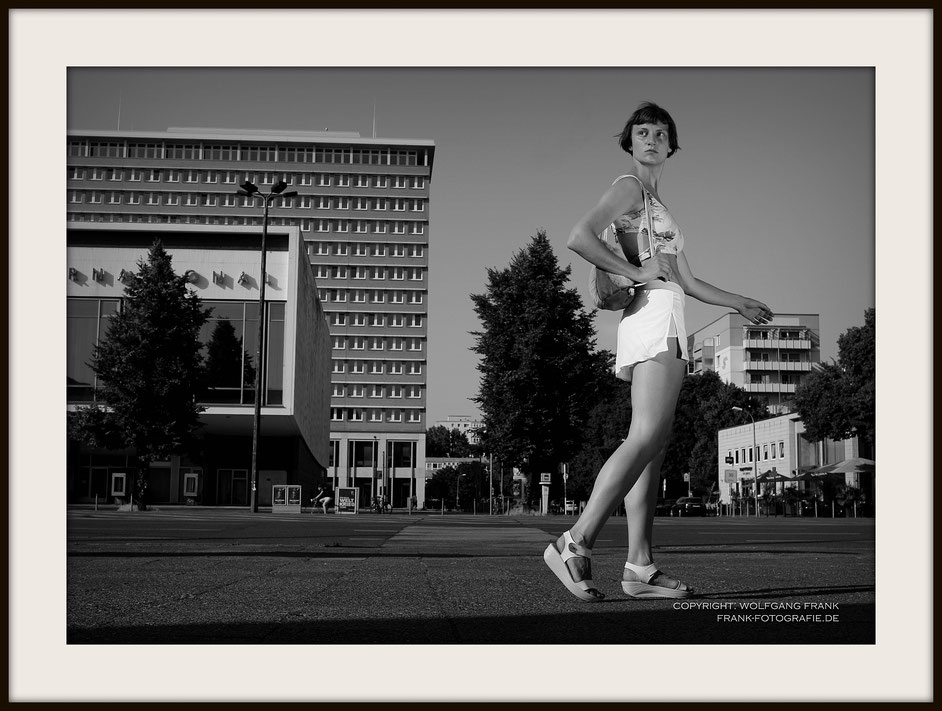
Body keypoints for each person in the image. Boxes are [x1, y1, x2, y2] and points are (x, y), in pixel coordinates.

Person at [544, 101, 773, 601]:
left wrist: (739, 302)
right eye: (642, 132)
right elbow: (578, 237)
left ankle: (639, 566)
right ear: (630, 142)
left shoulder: (656, 206)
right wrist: (636, 273)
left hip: (664, 315)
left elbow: (686, 280)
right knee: (646, 435)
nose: (651, 139)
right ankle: (574, 540)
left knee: (653, 447)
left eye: (660, 133)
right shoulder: (627, 188)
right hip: (653, 318)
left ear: (672, 146)